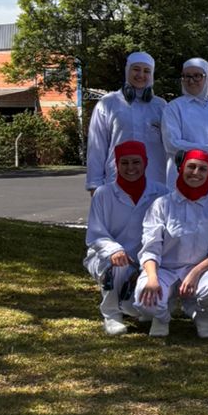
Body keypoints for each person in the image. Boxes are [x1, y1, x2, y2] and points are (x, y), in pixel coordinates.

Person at [131, 149, 208, 339]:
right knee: (144, 297)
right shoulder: (161, 205)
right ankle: (161, 316)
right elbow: (150, 248)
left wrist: (194, 273)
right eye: (191, 167)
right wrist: (152, 278)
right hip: (163, 270)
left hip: (198, 272)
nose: (196, 173)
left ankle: (202, 316)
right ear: (180, 168)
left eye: (202, 169)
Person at [84, 141, 164, 335]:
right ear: (116, 165)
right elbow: (96, 233)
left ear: (145, 163)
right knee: (118, 265)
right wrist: (114, 250)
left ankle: (136, 306)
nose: (130, 168)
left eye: (136, 162)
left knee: (139, 306)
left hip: (146, 258)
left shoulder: (161, 193)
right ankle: (112, 314)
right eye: (124, 163)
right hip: (109, 257)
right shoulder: (103, 194)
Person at [85, 51, 169, 190]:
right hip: (116, 183)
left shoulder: (161, 106)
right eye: (136, 69)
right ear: (127, 70)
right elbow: (96, 147)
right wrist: (94, 185)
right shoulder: (108, 103)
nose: (141, 75)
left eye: (146, 71)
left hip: (155, 183)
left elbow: (171, 147)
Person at [161, 58, 208, 196]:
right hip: (181, 177)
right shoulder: (174, 108)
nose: (191, 81)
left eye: (197, 76)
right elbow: (172, 144)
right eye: (187, 76)